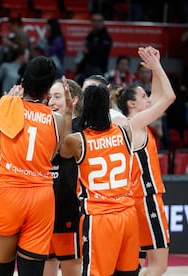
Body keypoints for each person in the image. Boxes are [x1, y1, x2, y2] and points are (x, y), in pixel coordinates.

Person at [59, 46, 175, 275]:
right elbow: (167, 98)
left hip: (99, 217)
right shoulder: (126, 129)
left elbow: (59, 150)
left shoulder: (77, 140)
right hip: (127, 212)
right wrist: (156, 67)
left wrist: (68, 112)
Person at [0, 56, 71, 276]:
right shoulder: (57, 119)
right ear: (48, 90)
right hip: (41, 198)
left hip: (8, 193)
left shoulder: (3, 106)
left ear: (24, 82)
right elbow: (52, 155)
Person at [114, 83, 172, 276]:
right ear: (132, 103)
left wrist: (155, 66)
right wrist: (156, 66)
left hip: (133, 200)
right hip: (146, 199)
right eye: (143, 96)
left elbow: (157, 96)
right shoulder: (135, 123)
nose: (148, 99)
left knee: (134, 266)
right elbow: (168, 97)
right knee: (158, 266)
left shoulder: (131, 123)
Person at [44, 78, 83, 276]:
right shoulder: (46, 125)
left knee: (71, 269)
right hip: (43, 212)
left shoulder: (80, 129)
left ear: (73, 100)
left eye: (57, 97)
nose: (51, 102)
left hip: (69, 210)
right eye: (49, 97)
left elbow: (64, 150)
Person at [76, 12, 112, 85]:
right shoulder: (90, 35)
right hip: (86, 67)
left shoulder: (105, 37)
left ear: (102, 22)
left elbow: (100, 51)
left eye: (98, 21)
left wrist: (89, 50)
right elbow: (84, 51)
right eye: (94, 20)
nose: (96, 23)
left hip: (99, 68)